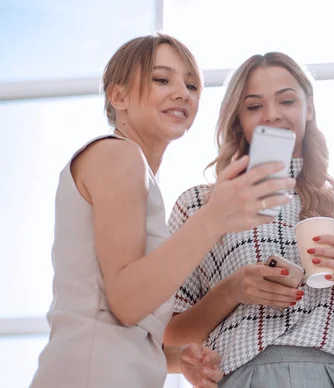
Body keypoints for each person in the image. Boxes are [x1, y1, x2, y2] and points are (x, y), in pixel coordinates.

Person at [30, 34, 293, 388]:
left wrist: (176, 359)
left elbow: (117, 316)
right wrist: (214, 218)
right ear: (118, 96)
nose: (183, 93)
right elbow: (125, 302)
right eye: (161, 79)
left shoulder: (134, 173)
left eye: (192, 85)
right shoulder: (117, 155)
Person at [163, 52, 334, 388]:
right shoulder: (201, 205)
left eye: (286, 100)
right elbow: (170, 337)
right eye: (254, 106)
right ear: (238, 120)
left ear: (310, 109)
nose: (272, 115)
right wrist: (233, 290)